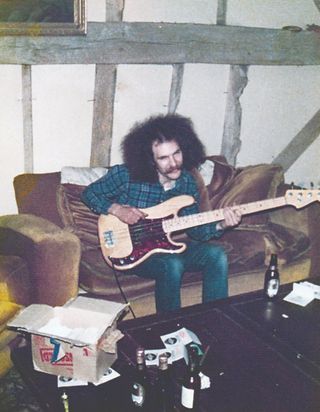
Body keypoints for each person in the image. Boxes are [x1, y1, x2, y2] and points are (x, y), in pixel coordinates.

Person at [81, 114, 242, 313]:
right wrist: (118, 210)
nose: (173, 163)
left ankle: (216, 318)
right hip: (131, 252)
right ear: (150, 160)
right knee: (172, 264)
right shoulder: (126, 175)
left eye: (177, 153)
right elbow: (89, 194)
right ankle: (170, 328)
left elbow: (196, 232)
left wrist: (221, 225)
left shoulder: (187, 183)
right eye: (163, 158)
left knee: (216, 254)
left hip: (164, 247)